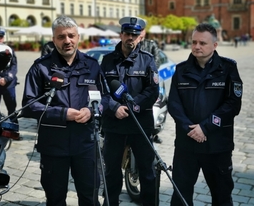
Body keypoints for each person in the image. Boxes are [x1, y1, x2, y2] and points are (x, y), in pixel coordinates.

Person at [21, 15, 108, 206]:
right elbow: (28, 105)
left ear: (78, 37)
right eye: (61, 37)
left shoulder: (92, 66)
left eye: (71, 36)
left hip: (86, 144)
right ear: (53, 40)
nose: (67, 41)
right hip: (53, 145)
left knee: (90, 198)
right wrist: (62, 114)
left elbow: (105, 99)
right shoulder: (41, 68)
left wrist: (92, 111)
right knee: (55, 199)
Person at [167, 23, 243, 206]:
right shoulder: (181, 70)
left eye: (202, 43)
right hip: (187, 145)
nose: (197, 46)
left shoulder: (228, 69)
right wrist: (190, 129)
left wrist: (205, 128)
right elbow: (174, 104)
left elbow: (233, 105)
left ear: (214, 45)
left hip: (217, 146)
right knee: (180, 197)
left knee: (222, 195)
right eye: (194, 42)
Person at [100, 16, 160, 206]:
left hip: (140, 125)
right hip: (114, 125)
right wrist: (115, 107)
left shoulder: (147, 60)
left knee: (147, 171)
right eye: (127, 34)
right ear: (121, 35)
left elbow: (153, 90)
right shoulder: (107, 61)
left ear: (140, 37)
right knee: (111, 171)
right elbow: (99, 91)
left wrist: (134, 106)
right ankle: (111, 203)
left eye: (135, 35)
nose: (130, 38)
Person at [139, 28, 163, 144]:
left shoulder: (151, 44)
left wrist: (146, 72)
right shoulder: (131, 43)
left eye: (141, 30)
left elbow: (156, 61)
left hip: (150, 81)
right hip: (135, 85)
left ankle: (155, 132)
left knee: (157, 107)